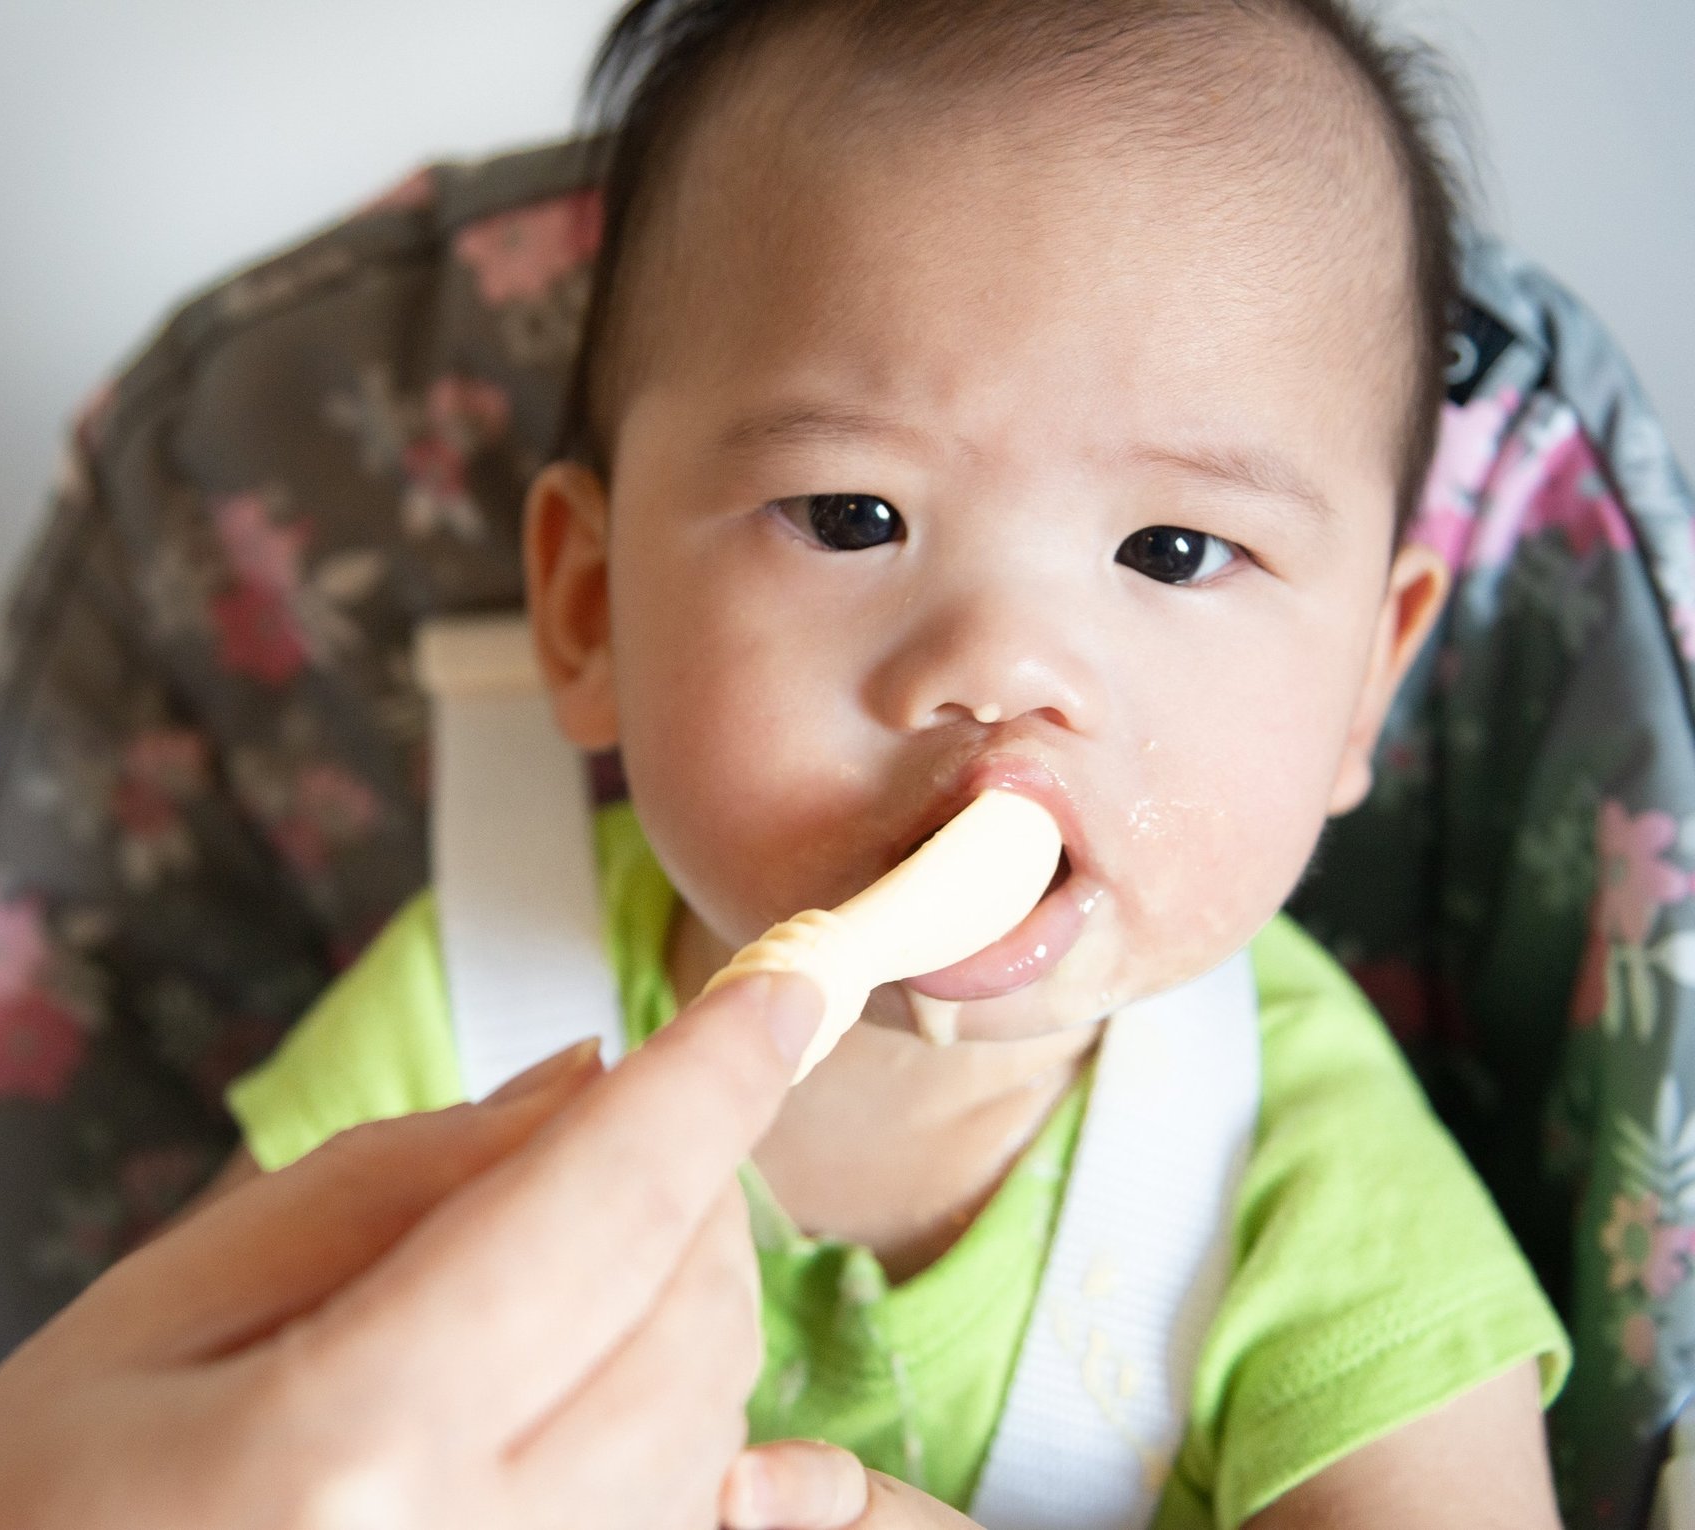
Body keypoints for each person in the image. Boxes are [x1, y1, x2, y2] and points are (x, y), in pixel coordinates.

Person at [215, 0, 1572, 1525]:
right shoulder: (468, 1035)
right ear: (592, 609)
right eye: (852, 516)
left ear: (1362, 692)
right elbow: (155, 1450)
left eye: (1175, 547)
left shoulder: (1305, 1181)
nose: (1003, 662)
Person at [0, 970, 921, 1530]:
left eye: (1103, 555)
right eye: (855, 540)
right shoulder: (450, 1011)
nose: (1002, 671)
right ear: (583, 615)